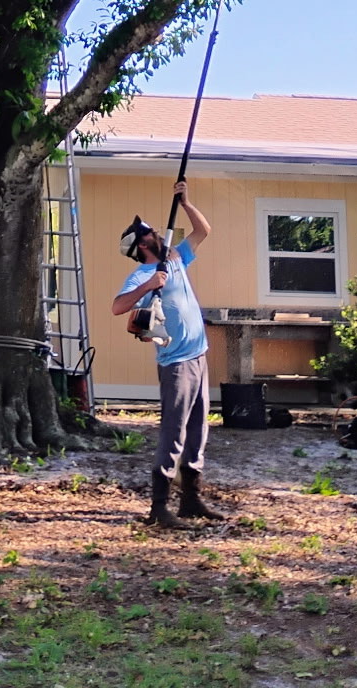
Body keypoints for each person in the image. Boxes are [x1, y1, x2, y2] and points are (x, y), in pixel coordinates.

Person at [112, 180, 219, 526]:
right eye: (149, 231)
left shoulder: (176, 258)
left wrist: (185, 202)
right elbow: (118, 307)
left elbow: (203, 230)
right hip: (176, 364)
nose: (155, 231)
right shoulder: (142, 274)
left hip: (199, 356)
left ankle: (191, 499)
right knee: (174, 433)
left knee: (198, 430)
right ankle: (159, 507)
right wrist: (149, 285)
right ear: (142, 245)